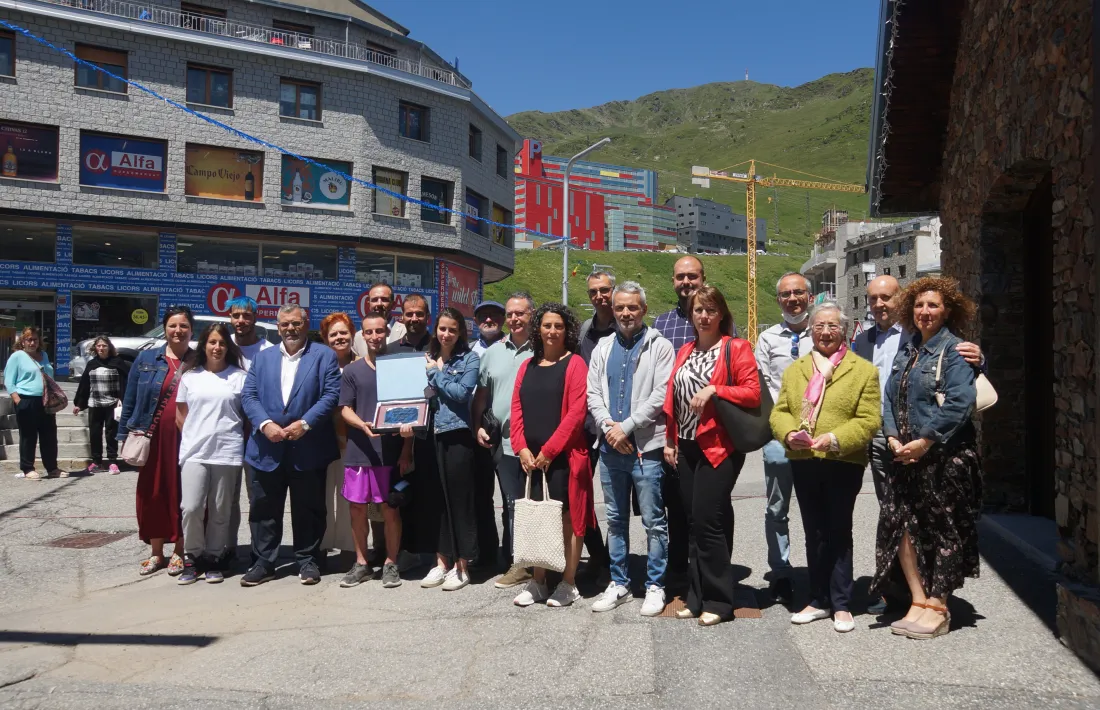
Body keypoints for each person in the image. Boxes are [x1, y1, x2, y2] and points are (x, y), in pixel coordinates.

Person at [852, 275, 984, 614]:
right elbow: (889, 396)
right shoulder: (885, 344)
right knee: (899, 523)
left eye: (933, 305)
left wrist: (924, 441)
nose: (924, 311)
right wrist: (894, 434)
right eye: (920, 305)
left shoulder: (950, 348)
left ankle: (936, 602)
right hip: (896, 447)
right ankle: (908, 596)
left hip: (937, 455)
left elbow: (961, 396)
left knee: (939, 527)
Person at [770, 302, 881, 633]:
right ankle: (818, 599)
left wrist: (834, 438)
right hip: (804, 460)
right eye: (819, 326)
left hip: (841, 461)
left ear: (844, 330)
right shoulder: (796, 370)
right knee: (813, 531)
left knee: (838, 530)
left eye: (832, 326)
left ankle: (842, 602)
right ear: (811, 330)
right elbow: (780, 411)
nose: (825, 332)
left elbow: (869, 420)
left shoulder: (863, 371)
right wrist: (789, 433)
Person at [662, 286, 760, 626]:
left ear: (721, 314)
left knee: (709, 522)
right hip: (686, 445)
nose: (704, 316)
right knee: (692, 524)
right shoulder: (686, 349)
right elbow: (672, 396)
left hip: (719, 446)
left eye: (710, 310)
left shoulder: (736, 348)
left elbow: (752, 392)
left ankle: (719, 601)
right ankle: (695, 595)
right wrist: (670, 440)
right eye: (698, 310)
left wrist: (715, 388)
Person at [586, 281, 674, 616]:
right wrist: (609, 426)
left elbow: (660, 395)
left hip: (645, 449)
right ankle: (619, 582)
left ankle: (655, 585)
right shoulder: (603, 347)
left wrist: (627, 426)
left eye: (632, 307)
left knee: (653, 520)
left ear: (643, 310)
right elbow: (593, 393)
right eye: (620, 307)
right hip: (610, 449)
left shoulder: (660, 346)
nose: (625, 313)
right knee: (615, 520)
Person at [239, 304, 341, 587]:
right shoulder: (263, 358)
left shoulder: (324, 356)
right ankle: (263, 562)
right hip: (266, 447)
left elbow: (331, 395)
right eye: (285, 324)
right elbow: (249, 396)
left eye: (296, 323)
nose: (290, 329)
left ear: (306, 323)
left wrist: (305, 424)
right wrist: (264, 424)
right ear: (278, 325)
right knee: (263, 508)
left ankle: (307, 561)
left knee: (308, 508)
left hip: (308, 447)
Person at [510, 303, 596, 609]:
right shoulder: (526, 366)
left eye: (558, 326)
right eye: (547, 325)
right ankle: (539, 581)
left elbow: (576, 414)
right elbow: (516, 410)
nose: (552, 331)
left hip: (563, 457)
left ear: (567, 330)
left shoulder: (575, 364)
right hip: (530, 460)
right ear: (538, 329)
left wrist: (549, 451)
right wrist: (520, 447)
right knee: (537, 519)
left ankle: (568, 583)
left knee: (569, 522)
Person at [653, 256, 726, 598]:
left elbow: (732, 373)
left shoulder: (721, 324)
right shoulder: (662, 323)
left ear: (703, 278)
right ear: (672, 281)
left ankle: (715, 575)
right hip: (676, 433)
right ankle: (681, 570)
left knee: (711, 509)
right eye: (680, 276)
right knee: (678, 505)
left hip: (713, 436)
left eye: (692, 276)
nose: (686, 281)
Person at [117, 306, 195, 575]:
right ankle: (156, 552)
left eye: (183, 326)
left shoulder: (198, 361)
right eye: (173, 325)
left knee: (182, 494)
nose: (178, 330)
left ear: (191, 330)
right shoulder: (147, 359)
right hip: (151, 438)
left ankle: (180, 551)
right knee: (152, 494)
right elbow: (130, 400)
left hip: (186, 440)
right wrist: (122, 435)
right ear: (165, 328)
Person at [753, 272, 815, 604]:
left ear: (810, 297)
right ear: (778, 300)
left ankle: (819, 569)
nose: (793, 299)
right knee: (777, 508)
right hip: (779, 437)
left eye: (799, 293)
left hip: (818, 438)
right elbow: (761, 388)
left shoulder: (824, 332)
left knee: (817, 508)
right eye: (786, 294)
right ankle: (781, 572)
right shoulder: (767, 339)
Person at [338, 313, 410, 589]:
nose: (375, 336)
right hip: (359, 450)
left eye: (380, 331)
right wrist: (362, 425)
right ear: (362, 335)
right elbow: (344, 408)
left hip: (390, 453)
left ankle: (391, 563)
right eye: (369, 332)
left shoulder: (398, 368)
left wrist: (407, 448)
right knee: (357, 509)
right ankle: (362, 563)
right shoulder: (353, 371)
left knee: (390, 510)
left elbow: (412, 410)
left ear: (387, 333)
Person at [471, 292, 535, 590]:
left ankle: (539, 561)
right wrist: (478, 425)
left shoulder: (544, 347)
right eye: (510, 314)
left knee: (537, 502)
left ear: (531, 314)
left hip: (536, 442)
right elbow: (482, 394)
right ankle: (518, 562)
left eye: (520, 313)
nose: (514, 319)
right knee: (512, 504)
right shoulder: (494, 352)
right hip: (504, 443)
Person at [175, 323, 247, 585]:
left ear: (228, 348)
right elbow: (181, 415)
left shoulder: (239, 377)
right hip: (195, 452)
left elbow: (246, 416)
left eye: (222, 343)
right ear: (203, 345)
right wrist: (196, 436)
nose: (217, 348)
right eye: (212, 342)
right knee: (191, 507)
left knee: (220, 510)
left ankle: (214, 558)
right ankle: (192, 558)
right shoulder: (190, 377)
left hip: (227, 452)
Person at [418, 308, 481, 592]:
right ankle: (441, 562)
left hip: (456, 435)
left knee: (459, 501)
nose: (446, 334)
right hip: (428, 435)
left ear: (460, 333)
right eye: (442, 329)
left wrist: (437, 374)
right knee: (435, 502)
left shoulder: (469, 359)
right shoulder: (424, 358)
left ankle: (462, 565)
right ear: (436, 330)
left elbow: (460, 394)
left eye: (452, 330)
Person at [227, 296, 274, 565]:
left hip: (257, 435)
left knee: (257, 497)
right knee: (225, 497)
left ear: (255, 318)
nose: (241, 321)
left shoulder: (268, 351)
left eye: (246, 315)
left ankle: (260, 553)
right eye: (236, 316)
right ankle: (226, 546)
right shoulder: (221, 346)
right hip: (225, 432)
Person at [575, 271, 615, 580]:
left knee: (619, 497)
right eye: (593, 292)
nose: (599, 296)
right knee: (581, 492)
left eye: (604, 290)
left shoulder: (628, 326)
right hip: (587, 425)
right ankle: (598, 556)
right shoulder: (584, 332)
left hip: (619, 426)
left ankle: (618, 560)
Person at [469, 300, 505, 568]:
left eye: (494, 316)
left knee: (511, 497)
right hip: (478, 428)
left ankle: (514, 554)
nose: (489, 320)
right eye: (483, 316)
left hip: (506, 429)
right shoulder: (469, 351)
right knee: (481, 496)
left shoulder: (511, 347)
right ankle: (488, 552)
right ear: (476, 320)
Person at [319, 312, 358, 555]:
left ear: (352, 335)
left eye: (344, 332)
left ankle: (348, 548)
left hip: (353, 442)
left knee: (348, 498)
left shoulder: (363, 363)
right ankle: (321, 547)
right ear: (325, 338)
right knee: (321, 496)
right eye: (333, 334)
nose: (339, 337)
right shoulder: (318, 363)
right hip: (321, 440)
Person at [5, 326, 62, 480]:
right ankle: (27, 468)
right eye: (28, 339)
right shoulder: (17, 356)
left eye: (35, 339)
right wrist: (18, 401)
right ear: (22, 341)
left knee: (49, 435)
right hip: (26, 400)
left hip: (45, 400)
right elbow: (9, 381)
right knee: (28, 436)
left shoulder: (43, 355)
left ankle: (52, 468)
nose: (32, 342)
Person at [73, 336, 130, 475]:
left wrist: (123, 399)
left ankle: (112, 462)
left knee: (111, 433)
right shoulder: (92, 364)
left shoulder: (118, 363)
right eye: (98, 346)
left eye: (104, 346)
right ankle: (96, 461)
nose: (101, 348)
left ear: (109, 347)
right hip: (95, 403)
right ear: (95, 348)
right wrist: (79, 404)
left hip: (112, 403)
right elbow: (85, 385)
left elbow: (125, 383)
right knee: (94, 433)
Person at [351, 283, 407, 357]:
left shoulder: (405, 333)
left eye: (384, 299)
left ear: (393, 304)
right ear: (369, 304)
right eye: (375, 300)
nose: (379, 304)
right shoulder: (357, 339)